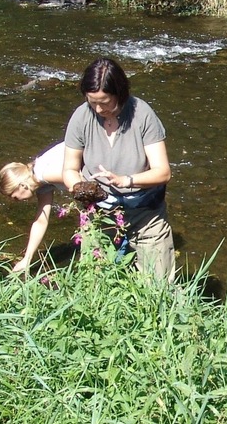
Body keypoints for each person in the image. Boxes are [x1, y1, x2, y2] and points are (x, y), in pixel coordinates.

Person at [62, 57, 175, 282]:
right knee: (95, 280)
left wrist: (126, 180)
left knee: (159, 284)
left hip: (145, 213)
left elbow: (163, 172)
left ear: (120, 93)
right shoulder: (82, 116)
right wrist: (79, 187)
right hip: (99, 213)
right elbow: (69, 168)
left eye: (105, 102)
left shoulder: (142, 114)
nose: (98, 108)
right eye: (92, 101)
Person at [0, 142, 68, 276]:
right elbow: (41, 220)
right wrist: (27, 259)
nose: (16, 201)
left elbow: (80, 179)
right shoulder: (40, 183)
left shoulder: (44, 174)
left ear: (22, 186)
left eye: (15, 197)